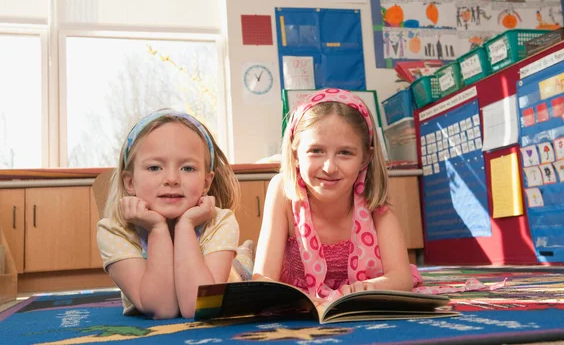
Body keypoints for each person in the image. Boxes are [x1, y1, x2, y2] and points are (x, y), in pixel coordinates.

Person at [253, 88, 422, 303]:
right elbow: (263, 277)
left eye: (345, 153)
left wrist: (367, 288)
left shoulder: (372, 201)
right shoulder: (282, 190)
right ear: (295, 154)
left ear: (365, 158)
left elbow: (401, 278)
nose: (330, 167)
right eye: (316, 150)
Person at [97, 109, 252, 319]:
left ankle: (244, 254)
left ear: (206, 183)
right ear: (130, 182)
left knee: (242, 274)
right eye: (154, 167)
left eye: (187, 168)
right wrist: (157, 228)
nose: (171, 179)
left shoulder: (220, 221)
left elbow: (197, 307)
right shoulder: (113, 231)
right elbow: (162, 309)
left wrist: (186, 225)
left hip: (234, 276)